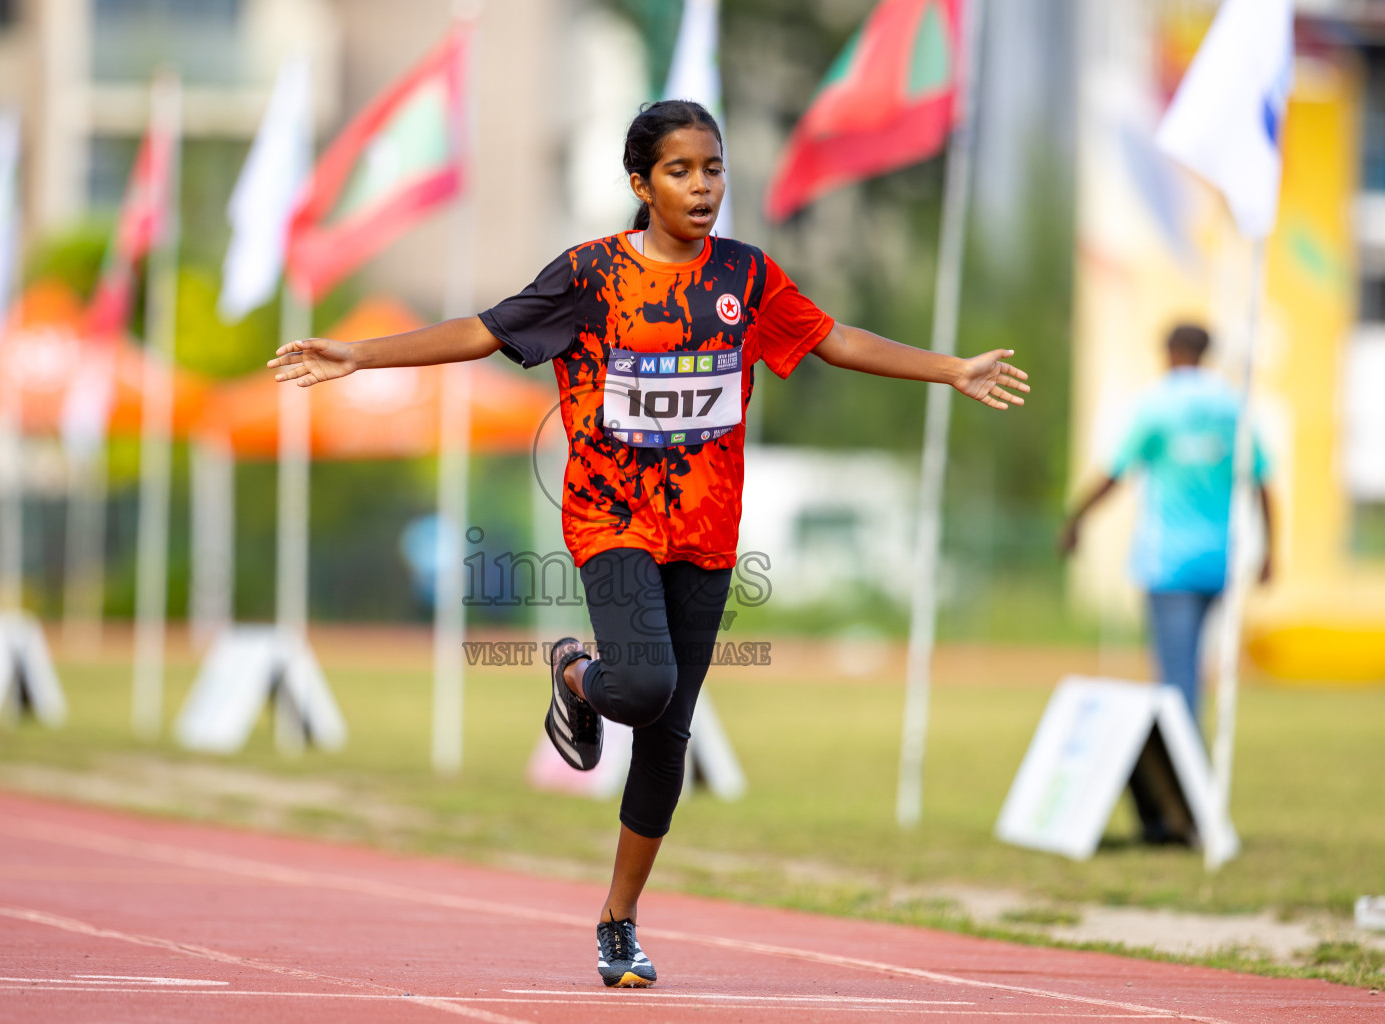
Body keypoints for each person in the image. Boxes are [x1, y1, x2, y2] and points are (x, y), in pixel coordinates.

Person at [270, 100, 1029, 988]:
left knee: (667, 736)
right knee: (642, 682)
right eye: (680, 170)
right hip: (611, 520)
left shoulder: (746, 276)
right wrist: (360, 355)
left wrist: (953, 368)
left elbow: (832, 340)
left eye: (712, 169)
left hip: (707, 531)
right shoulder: (591, 275)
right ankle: (572, 674)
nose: (702, 186)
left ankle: (618, 920)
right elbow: (484, 329)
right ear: (641, 183)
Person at [1059, 322, 1274, 728]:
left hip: (1167, 559)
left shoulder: (1157, 405)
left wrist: (1076, 518)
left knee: (1176, 673)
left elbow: (1115, 472)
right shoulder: (1232, 407)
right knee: (1191, 667)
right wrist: (1269, 552)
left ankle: (1182, 771)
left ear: (1172, 352)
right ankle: (1189, 760)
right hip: (1218, 559)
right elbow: (1262, 481)